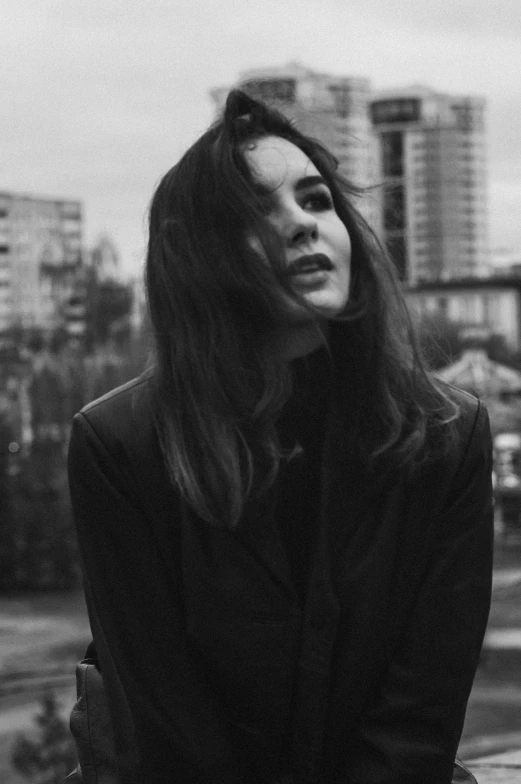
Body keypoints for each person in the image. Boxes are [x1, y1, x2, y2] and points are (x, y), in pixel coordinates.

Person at [67, 90, 493, 784]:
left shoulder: (445, 433)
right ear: (195, 257)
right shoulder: (120, 446)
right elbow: (166, 720)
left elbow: (420, 710)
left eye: (316, 200)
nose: (302, 226)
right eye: (256, 212)